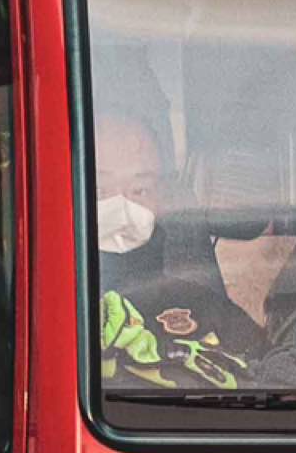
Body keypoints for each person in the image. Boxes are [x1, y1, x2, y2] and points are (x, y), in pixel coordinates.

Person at [89, 107, 259, 389]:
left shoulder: (206, 307)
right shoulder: (44, 310)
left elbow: (266, 381)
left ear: (162, 199)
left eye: (139, 190)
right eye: (100, 190)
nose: (121, 207)